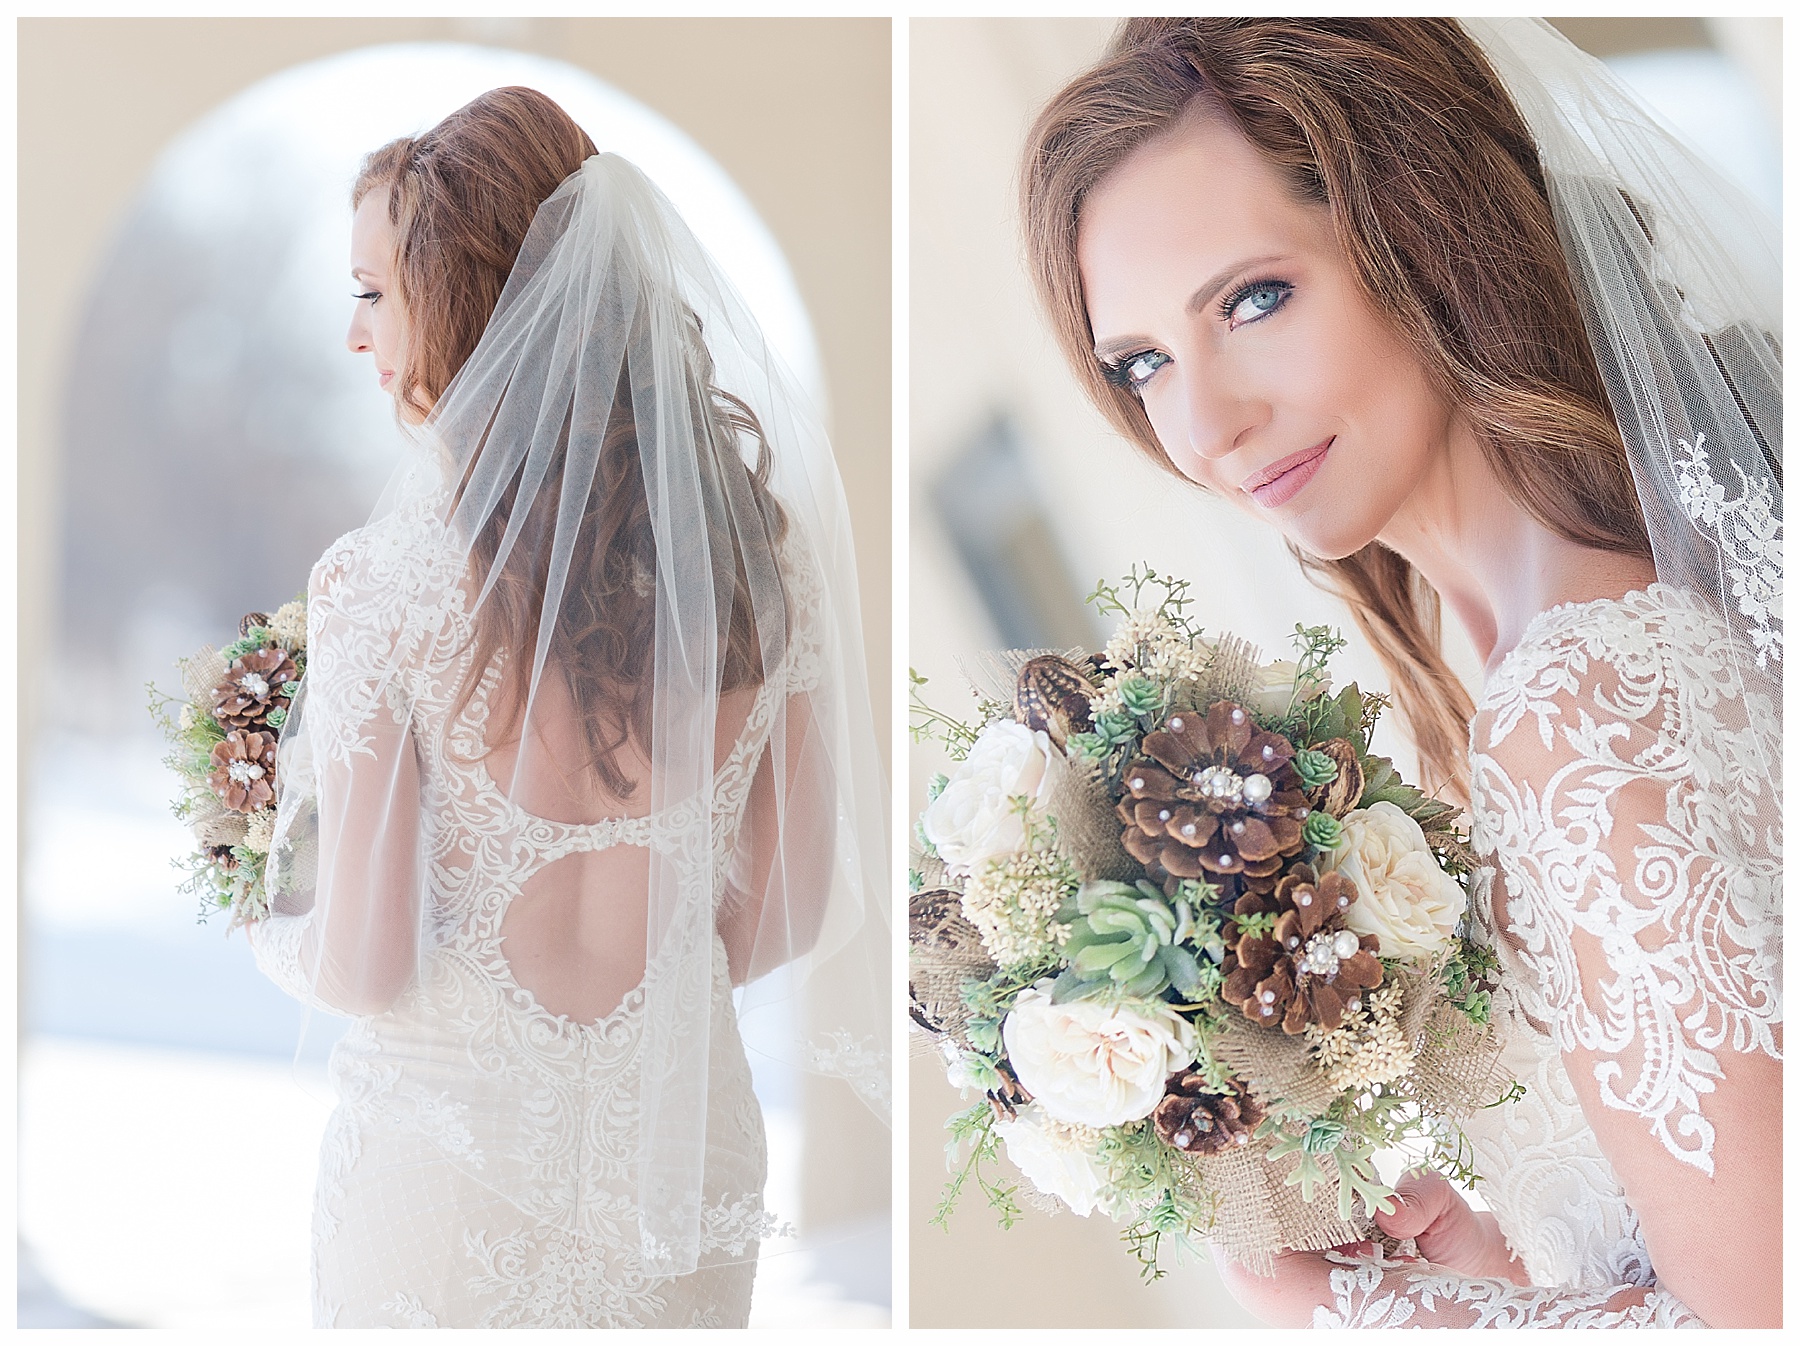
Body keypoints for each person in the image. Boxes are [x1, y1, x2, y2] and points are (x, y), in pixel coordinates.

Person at [1020, 17, 1779, 1328]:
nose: (1205, 426)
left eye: (1253, 299)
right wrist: (1505, 1271)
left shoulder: (1573, 705)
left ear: (1417, 232)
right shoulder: (1586, 638)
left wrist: (1349, 1308)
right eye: (1143, 363)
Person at [246, 87, 889, 1328]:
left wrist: (259, 894)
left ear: (464, 295)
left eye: (374, 292)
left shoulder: (381, 583)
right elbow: (794, 902)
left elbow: (365, 960)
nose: (354, 334)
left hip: (442, 1172)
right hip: (682, 1162)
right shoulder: (761, 567)